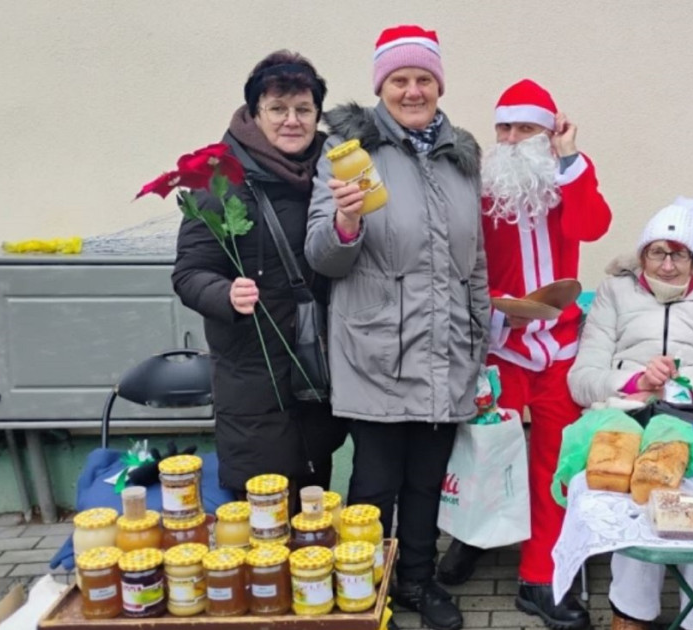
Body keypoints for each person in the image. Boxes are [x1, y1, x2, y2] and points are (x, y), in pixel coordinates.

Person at [304, 25, 487, 630]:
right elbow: (322, 256)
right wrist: (347, 225)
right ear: (381, 86)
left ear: (439, 86)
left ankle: (416, 582)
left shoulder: (461, 157)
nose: (413, 91)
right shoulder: (349, 152)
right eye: (400, 80)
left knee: (427, 482)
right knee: (376, 481)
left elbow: (474, 260)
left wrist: (479, 337)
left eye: (424, 79)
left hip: (445, 350)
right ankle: (364, 585)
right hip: (378, 348)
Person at [436, 79, 611, 630]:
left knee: (555, 461)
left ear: (548, 133)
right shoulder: (481, 186)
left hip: (560, 347)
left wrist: (571, 159)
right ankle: (472, 538)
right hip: (501, 344)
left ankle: (540, 576)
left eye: (526, 128)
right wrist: (492, 311)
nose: (511, 140)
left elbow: (593, 226)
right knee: (483, 452)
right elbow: (460, 261)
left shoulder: (569, 179)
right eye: (504, 128)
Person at [568, 197, 693, 630]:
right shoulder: (615, 294)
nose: (668, 265)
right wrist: (636, 383)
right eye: (658, 252)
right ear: (642, 255)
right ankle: (631, 616)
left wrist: (682, 386)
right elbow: (581, 379)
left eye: (679, 254)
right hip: (629, 422)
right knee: (636, 503)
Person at [172, 50, 348, 506]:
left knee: (312, 503)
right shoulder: (219, 180)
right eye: (277, 109)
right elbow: (189, 272)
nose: (292, 121)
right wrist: (225, 293)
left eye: (303, 109)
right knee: (263, 517)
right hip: (253, 382)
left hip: (315, 376)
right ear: (254, 113)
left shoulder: (329, 174)